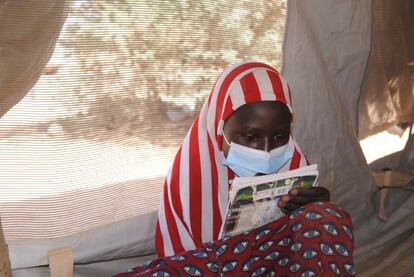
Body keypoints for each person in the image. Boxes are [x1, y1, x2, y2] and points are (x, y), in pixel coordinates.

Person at [115, 62, 354, 276]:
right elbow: (182, 262)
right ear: (220, 129)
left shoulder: (293, 162)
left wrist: (313, 210)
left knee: (327, 219)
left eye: (280, 136)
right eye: (251, 136)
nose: (266, 151)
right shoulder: (190, 178)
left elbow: (301, 251)